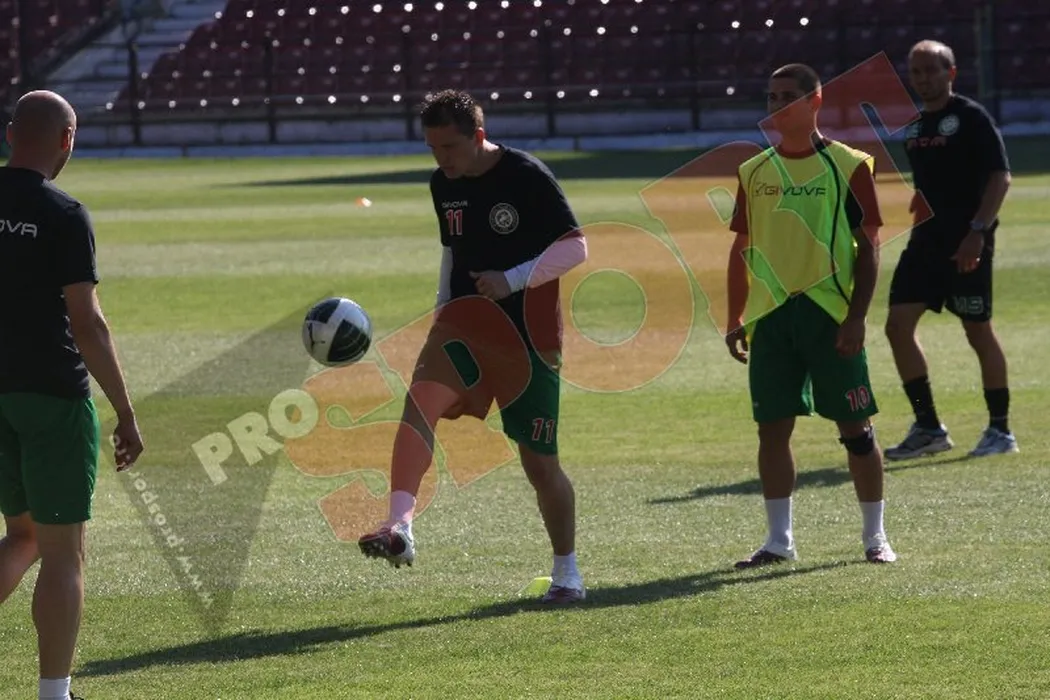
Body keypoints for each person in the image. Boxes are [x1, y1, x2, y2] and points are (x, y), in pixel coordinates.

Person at [357, 89, 589, 604]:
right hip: (463, 326)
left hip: (527, 338)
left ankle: (568, 574)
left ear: (478, 136)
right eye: (432, 148)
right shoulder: (443, 183)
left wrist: (512, 279)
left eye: (449, 147)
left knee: (540, 464)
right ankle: (399, 527)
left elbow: (576, 248)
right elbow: (452, 251)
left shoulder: (526, 175)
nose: (441, 159)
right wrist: (442, 308)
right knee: (419, 403)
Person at [0, 90, 144, 700]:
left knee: (23, 536)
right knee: (63, 552)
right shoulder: (63, 213)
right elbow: (88, 323)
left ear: (12, 134)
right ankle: (54, 694)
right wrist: (126, 412)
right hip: (52, 396)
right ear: (67, 140)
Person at [724, 64, 897, 568]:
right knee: (771, 429)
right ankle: (779, 540)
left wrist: (857, 317)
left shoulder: (849, 165)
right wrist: (735, 315)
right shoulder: (754, 171)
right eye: (771, 96)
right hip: (772, 318)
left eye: (788, 96)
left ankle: (875, 537)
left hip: (831, 315)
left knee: (856, 430)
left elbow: (869, 247)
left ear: (814, 101)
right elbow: (741, 248)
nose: (777, 106)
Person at [883, 40, 1016, 460]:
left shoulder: (972, 117)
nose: (923, 79)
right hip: (925, 242)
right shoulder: (915, 127)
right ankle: (928, 427)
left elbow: (1000, 177)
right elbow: (933, 180)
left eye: (931, 70)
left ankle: (1000, 430)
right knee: (897, 326)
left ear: (951, 73)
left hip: (966, 242)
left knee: (977, 330)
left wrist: (977, 231)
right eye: (916, 71)